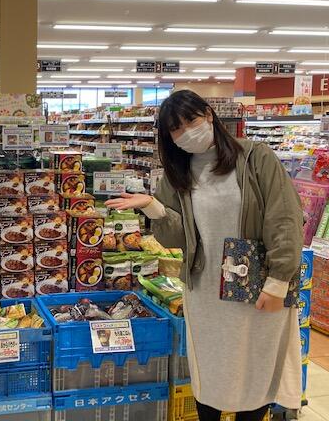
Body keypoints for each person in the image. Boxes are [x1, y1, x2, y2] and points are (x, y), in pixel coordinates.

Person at [106, 90, 302, 421]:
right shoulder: (177, 173)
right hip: (205, 289)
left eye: (191, 121)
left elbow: (283, 218)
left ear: (209, 114)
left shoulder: (255, 158)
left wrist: (278, 280)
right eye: (176, 129)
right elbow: (174, 237)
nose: (186, 132)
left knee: (255, 367)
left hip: (255, 285)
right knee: (210, 369)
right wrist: (152, 207)